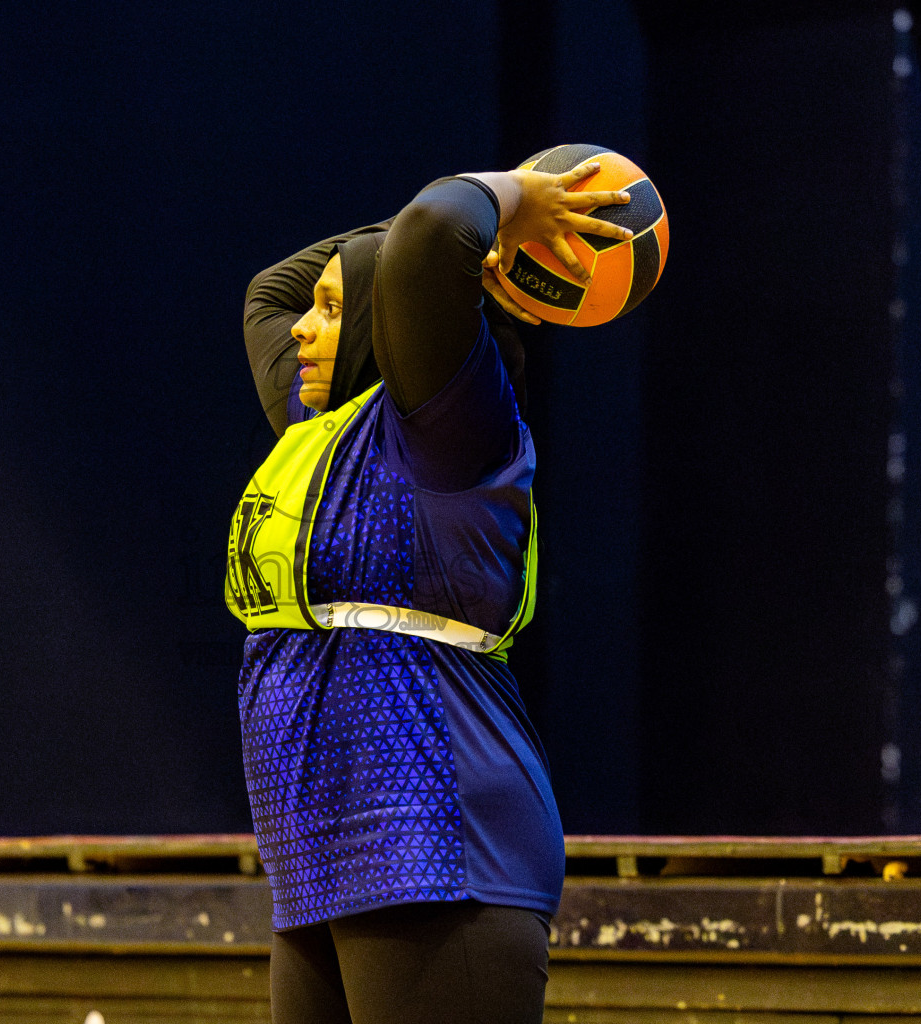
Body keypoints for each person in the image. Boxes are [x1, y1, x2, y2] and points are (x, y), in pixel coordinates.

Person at [228, 159, 632, 1024]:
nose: (302, 329)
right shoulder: (320, 435)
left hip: (437, 846)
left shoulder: (449, 433)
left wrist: (512, 203)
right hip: (320, 863)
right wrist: (492, 237)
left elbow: (425, 240)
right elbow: (273, 289)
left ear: (388, 325)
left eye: (334, 312)